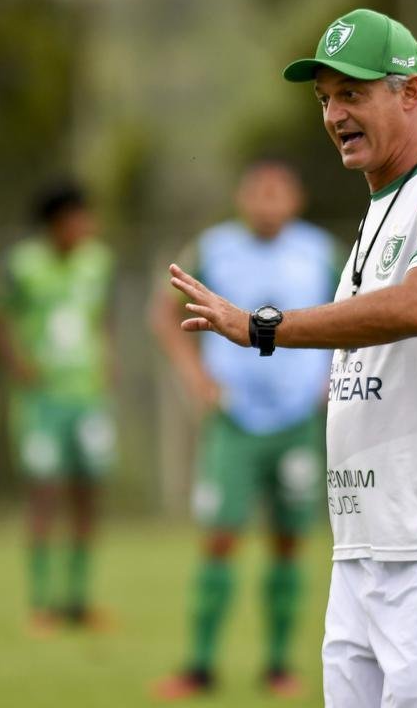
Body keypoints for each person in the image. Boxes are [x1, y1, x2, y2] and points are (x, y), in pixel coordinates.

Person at [166, 8, 417, 707]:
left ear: (411, 93)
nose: (334, 114)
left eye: (352, 93)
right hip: (364, 548)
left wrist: (263, 326)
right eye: (325, 98)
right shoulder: (374, 216)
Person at [150, 161, 338, 699]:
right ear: (241, 198)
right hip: (234, 420)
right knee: (220, 538)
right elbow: (164, 313)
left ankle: (278, 665)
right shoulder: (213, 248)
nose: (267, 202)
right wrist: (195, 378)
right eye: (258, 192)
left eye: (278, 192)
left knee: (287, 541)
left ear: (296, 199)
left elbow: (352, 315)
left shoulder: (320, 252)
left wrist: (331, 378)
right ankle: (201, 666)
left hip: (296, 420)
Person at [0, 181, 116, 634]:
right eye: (80, 218)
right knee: (45, 496)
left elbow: (103, 316)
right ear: (57, 223)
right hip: (42, 402)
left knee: (87, 496)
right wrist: (17, 363)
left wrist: (107, 358)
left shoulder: (98, 263)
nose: (87, 227)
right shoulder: (23, 266)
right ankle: (41, 603)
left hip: (87, 398)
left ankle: (78, 601)